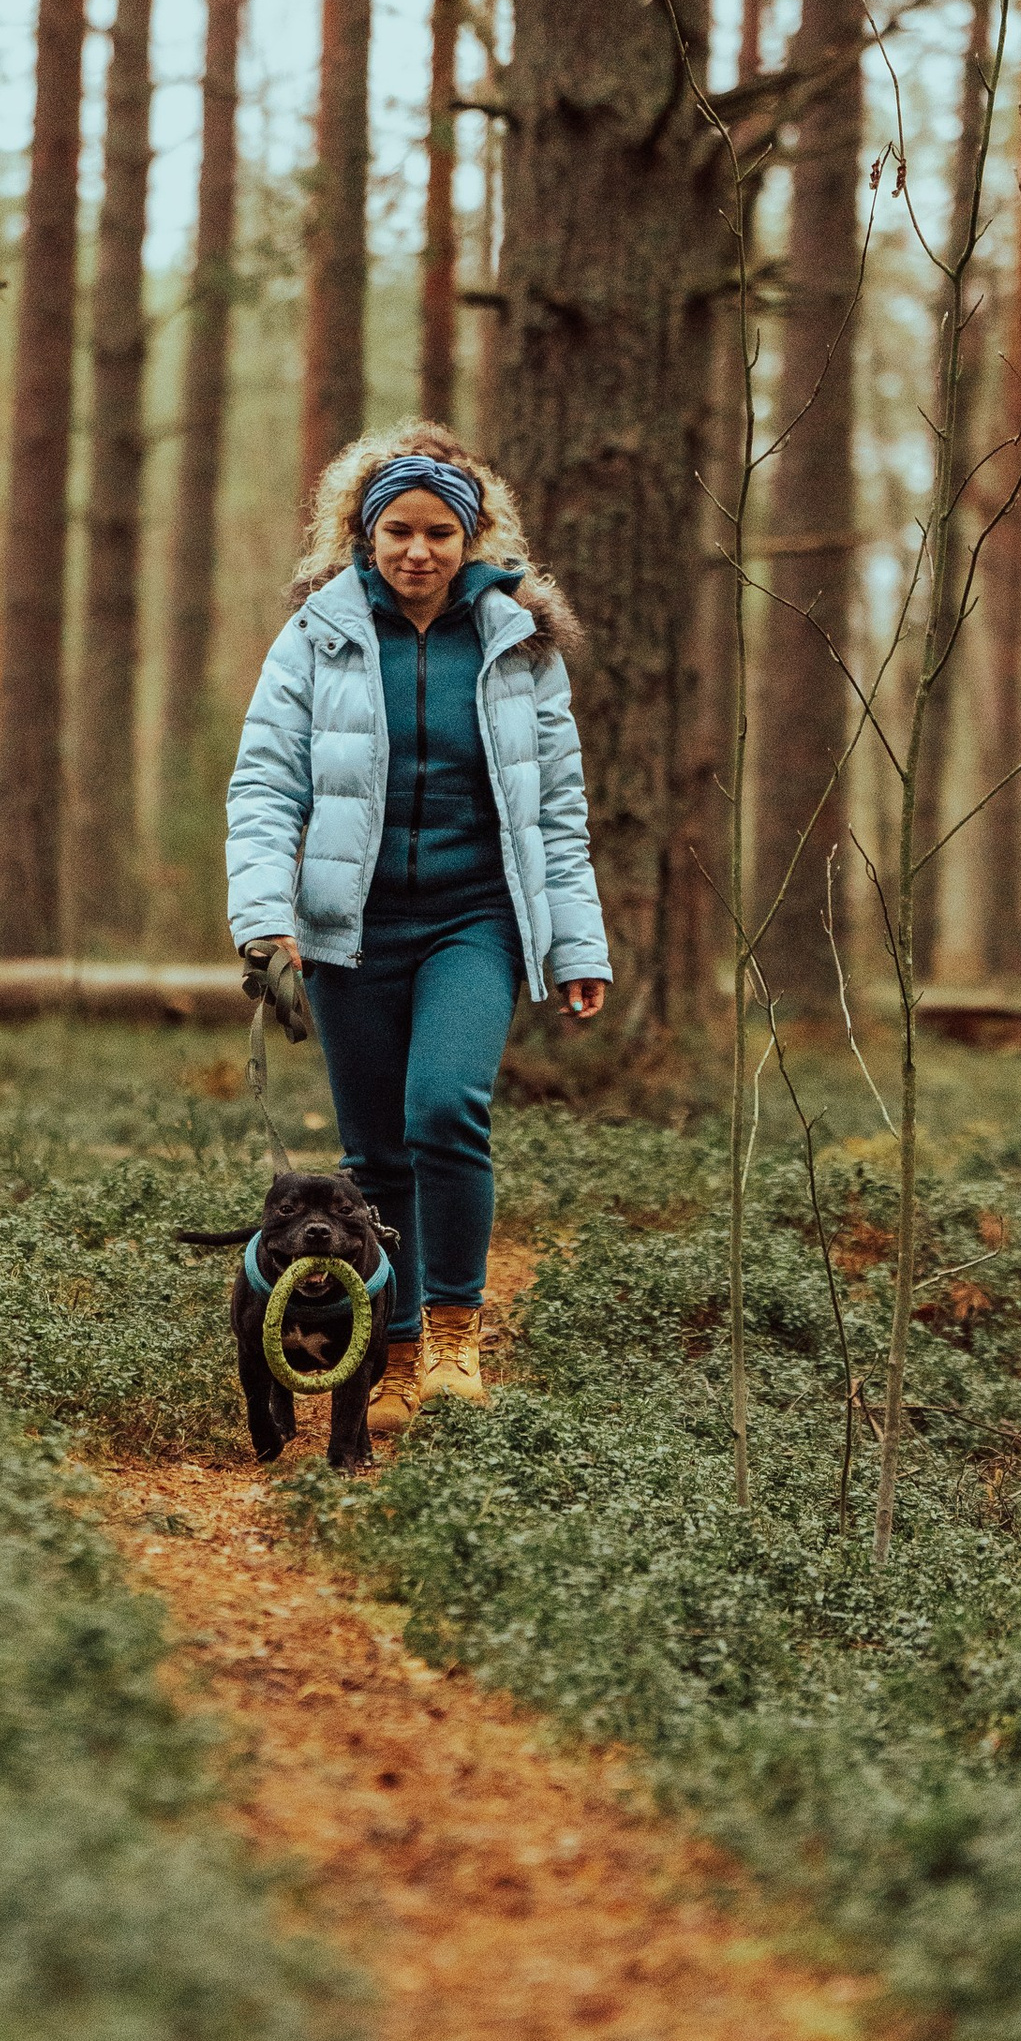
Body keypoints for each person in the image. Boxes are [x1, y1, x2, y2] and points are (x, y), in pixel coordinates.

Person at [225, 423, 611, 1429]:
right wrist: (266, 922)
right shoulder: (318, 633)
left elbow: (557, 806)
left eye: (440, 532)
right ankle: (387, 1351)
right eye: (396, 529)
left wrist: (575, 941)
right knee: (373, 1154)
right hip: (346, 926)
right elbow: (265, 782)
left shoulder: (520, 641)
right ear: (362, 532)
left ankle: (451, 1329)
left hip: (471, 918)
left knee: (443, 1108)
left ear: (472, 538)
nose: (417, 551)